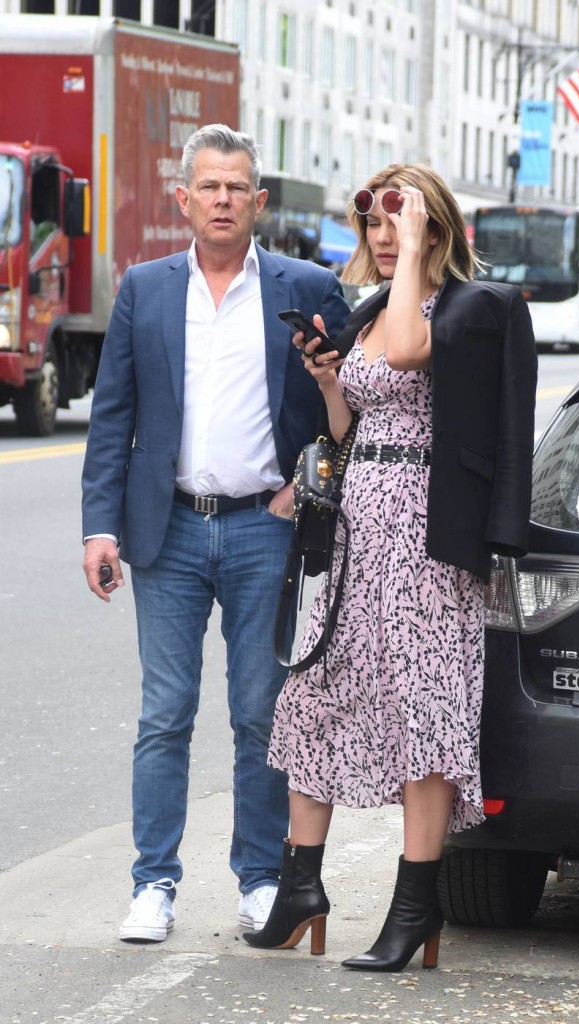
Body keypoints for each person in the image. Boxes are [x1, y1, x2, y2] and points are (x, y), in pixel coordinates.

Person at [245, 164, 537, 971]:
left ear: (435, 231)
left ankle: (416, 907)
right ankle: (300, 886)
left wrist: (411, 254)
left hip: (424, 535)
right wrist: (333, 383)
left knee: (422, 708)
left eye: (397, 225)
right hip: (357, 528)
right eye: (371, 224)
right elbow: (350, 428)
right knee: (316, 692)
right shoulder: (374, 308)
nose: (378, 237)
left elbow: (412, 353)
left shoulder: (458, 310)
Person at [81, 124, 349, 943]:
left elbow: (347, 414)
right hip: (165, 530)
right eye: (210, 187)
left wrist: (302, 490)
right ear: (184, 199)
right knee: (164, 713)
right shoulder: (146, 289)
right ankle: (153, 885)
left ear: (260, 201)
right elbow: (112, 416)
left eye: (238, 187)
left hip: (262, 531)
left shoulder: (304, 287)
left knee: (259, 714)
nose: (223, 200)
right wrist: (99, 527)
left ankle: (260, 880)